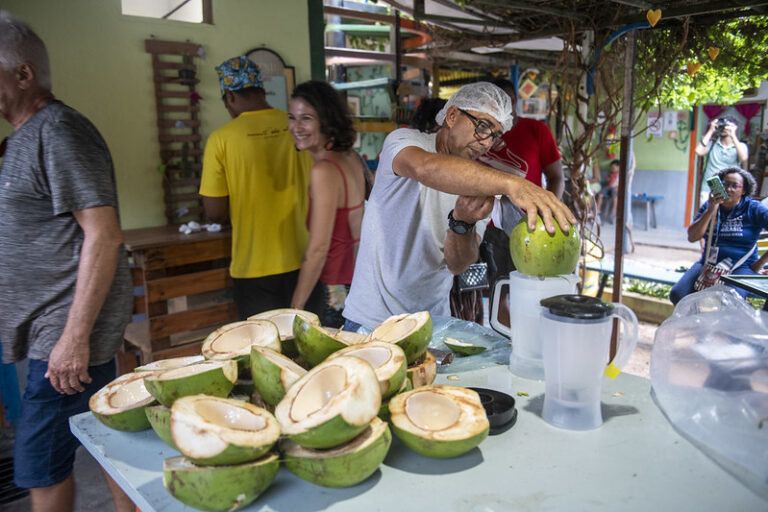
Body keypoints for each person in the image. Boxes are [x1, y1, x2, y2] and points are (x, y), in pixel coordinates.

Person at [0, 11, 134, 512]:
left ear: (23, 73)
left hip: (59, 341)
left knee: (40, 466)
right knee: (108, 440)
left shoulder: (59, 131)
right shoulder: (22, 139)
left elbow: (104, 235)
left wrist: (73, 339)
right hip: (49, 335)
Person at [342, 82, 575, 331]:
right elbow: (425, 168)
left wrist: (462, 223)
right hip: (371, 320)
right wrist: (514, 184)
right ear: (452, 116)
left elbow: (457, 264)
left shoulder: (480, 183)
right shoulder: (404, 141)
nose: (486, 142)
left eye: (495, 135)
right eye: (483, 126)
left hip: (430, 323)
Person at [200, 56, 316, 320]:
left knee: (266, 354)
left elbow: (215, 211)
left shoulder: (220, 140)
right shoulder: (299, 127)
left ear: (229, 96)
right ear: (262, 90)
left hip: (254, 267)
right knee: (312, 352)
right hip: (308, 260)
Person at [476, 78, 565, 327]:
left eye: (497, 102)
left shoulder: (536, 131)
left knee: (533, 294)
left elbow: (557, 178)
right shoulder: (480, 135)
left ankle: (531, 345)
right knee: (497, 294)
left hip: (531, 229)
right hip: (489, 229)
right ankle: (507, 345)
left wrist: (550, 213)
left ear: (512, 102)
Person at [287, 81, 369, 327]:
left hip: (337, 292)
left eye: (306, 118)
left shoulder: (324, 171)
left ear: (326, 120)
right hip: (361, 283)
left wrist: (295, 308)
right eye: (292, 117)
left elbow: (318, 249)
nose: (296, 127)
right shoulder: (351, 158)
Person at [670, 167, 768, 304]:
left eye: (735, 186)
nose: (728, 189)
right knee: (678, 294)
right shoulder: (710, 205)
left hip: (740, 267)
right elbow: (692, 237)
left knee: (730, 300)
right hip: (708, 264)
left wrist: (760, 263)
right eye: (725, 184)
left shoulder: (753, 208)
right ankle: (697, 322)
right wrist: (711, 210)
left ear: (744, 191)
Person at [695, 116, 749, 203]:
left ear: (735, 127)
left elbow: (743, 158)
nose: (724, 128)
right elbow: (698, 151)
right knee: (707, 215)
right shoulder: (712, 144)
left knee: (724, 216)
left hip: (729, 186)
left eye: (727, 125)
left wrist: (733, 135)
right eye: (722, 126)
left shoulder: (740, 146)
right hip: (711, 184)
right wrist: (711, 130)